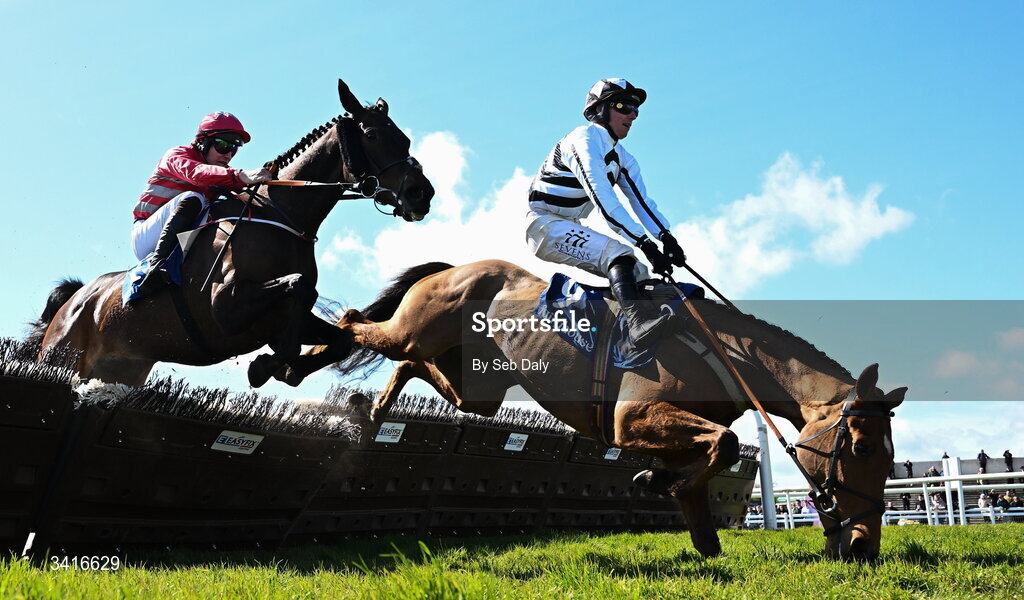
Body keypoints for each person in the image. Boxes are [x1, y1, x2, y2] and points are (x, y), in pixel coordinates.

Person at [526, 78, 686, 348]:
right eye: (624, 106)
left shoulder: (624, 158)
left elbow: (642, 202)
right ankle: (636, 326)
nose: (633, 115)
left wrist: (666, 238)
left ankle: (623, 335)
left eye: (636, 108)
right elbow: (603, 199)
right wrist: (644, 243)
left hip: (570, 223)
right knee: (619, 254)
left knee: (639, 271)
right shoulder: (582, 139)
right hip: (544, 225)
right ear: (599, 110)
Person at [131, 112, 272, 296]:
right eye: (223, 145)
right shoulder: (176, 155)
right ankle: (155, 267)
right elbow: (197, 173)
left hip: (181, 233)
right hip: (146, 236)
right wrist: (241, 176)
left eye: (234, 149)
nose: (229, 154)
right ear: (202, 142)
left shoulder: (223, 173)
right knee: (193, 197)